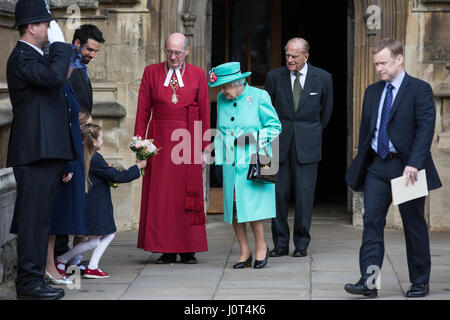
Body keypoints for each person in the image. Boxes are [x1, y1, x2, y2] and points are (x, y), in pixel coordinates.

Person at [344, 38, 442, 298]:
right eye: (376, 63)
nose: (379, 68)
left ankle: (420, 281)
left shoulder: (419, 89)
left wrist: (414, 163)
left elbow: (425, 129)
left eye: (383, 63)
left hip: (407, 169)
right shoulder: (372, 91)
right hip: (378, 166)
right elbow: (367, 132)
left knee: (414, 226)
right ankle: (370, 281)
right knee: (371, 223)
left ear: (399, 59)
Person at [7, 0, 75, 300]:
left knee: (40, 220)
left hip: (44, 152)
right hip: (33, 153)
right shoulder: (22, 57)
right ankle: (28, 284)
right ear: (32, 27)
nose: (50, 28)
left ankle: (34, 281)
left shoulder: (35, 56)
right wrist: (62, 47)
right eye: (46, 23)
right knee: (33, 221)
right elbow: (54, 77)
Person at [134, 32, 210, 264]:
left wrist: (205, 147)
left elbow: (205, 112)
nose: (173, 57)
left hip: (188, 140)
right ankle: (165, 247)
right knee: (162, 196)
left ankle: (188, 249)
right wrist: (140, 144)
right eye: (169, 52)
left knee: (186, 195)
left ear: (187, 51)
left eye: (177, 52)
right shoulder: (151, 72)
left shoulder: (197, 74)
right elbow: (143, 109)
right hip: (159, 143)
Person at [264, 37, 333, 258]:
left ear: (306, 56)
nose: (290, 59)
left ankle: (301, 243)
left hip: (308, 143)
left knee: (304, 195)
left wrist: (309, 132)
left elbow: (326, 112)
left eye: (295, 56)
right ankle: (280, 244)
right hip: (279, 143)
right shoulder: (274, 77)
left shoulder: (323, 78)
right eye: (287, 55)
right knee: (278, 194)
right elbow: (267, 110)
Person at [209, 62, 282, 269]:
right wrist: (216, 159)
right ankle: (244, 251)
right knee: (234, 210)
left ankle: (261, 246)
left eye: (225, 87)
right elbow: (221, 131)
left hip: (254, 162)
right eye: (221, 87)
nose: (222, 91)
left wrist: (252, 137)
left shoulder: (259, 97)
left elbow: (275, 127)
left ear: (237, 83)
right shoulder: (223, 100)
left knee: (252, 209)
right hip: (230, 162)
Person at [55, 124, 147, 279]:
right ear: (94, 142)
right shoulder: (95, 158)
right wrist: (137, 168)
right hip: (94, 206)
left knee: (108, 234)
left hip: (93, 203)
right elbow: (116, 176)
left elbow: (103, 173)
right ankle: (62, 260)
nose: (103, 140)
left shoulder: (84, 155)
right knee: (95, 241)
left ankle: (91, 266)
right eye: (101, 138)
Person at [54, 24, 104, 260]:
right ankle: (61, 256)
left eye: (95, 51)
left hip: (81, 144)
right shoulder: (67, 71)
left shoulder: (80, 68)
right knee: (67, 203)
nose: (92, 55)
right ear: (76, 43)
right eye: (89, 50)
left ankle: (74, 259)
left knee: (78, 201)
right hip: (70, 146)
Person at [44, 50, 88, 286]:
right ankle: (49, 266)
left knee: (56, 220)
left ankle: (51, 266)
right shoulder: (56, 88)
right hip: (61, 160)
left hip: (68, 158)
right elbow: (60, 127)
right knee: (53, 220)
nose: (73, 69)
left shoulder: (63, 85)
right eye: (71, 64)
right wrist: (68, 162)